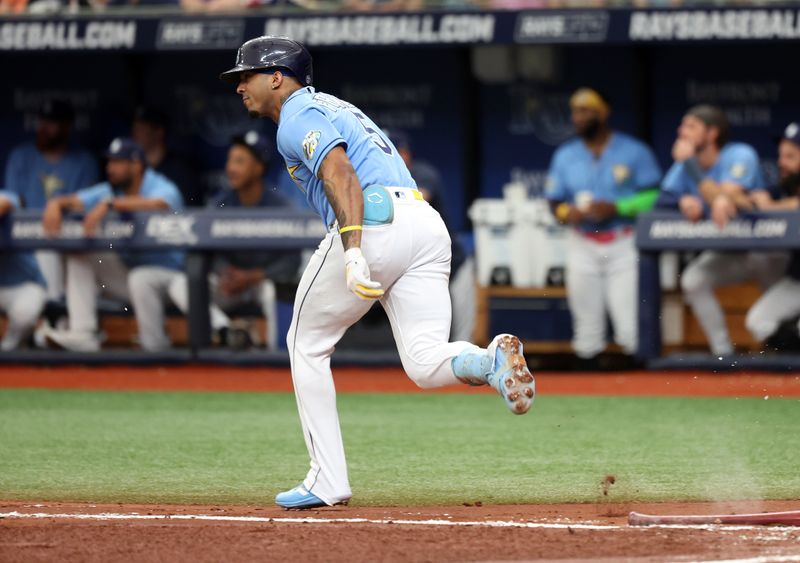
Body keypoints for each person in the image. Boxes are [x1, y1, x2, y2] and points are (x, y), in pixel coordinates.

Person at [220, 36, 535, 510]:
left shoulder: (296, 115)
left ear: (278, 78)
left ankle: (327, 479)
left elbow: (340, 172)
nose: (241, 85)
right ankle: (488, 361)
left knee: (304, 342)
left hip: (373, 221)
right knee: (425, 362)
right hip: (425, 225)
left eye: (248, 76)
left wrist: (352, 249)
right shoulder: (331, 105)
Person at [41, 137, 227, 352]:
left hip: (172, 275)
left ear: (136, 165)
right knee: (81, 255)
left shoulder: (159, 185)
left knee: (145, 278)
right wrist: (55, 204)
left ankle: (219, 332)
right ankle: (83, 333)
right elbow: (75, 200)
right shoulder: (110, 191)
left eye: (117, 162)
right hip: (131, 277)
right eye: (109, 162)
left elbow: (160, 204)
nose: (110, 168)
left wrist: (111, 204)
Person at [657, 105, 788, 357]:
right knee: (693, 280)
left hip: (764, 249)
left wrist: (693, 173)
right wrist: (681, 201)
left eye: (691, 126)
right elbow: (662, 199)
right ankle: (723, 353)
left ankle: (785, 352)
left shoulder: (739, 153)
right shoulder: (687, 162)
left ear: (712, 133)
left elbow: (727, 198)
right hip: (728, 252)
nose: (681, 131)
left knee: (777, 309)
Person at [545, 88, 662, 363]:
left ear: (603, 113)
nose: (578, 117)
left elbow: (656, 196)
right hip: (582, 241)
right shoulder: (566, 155)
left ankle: (642, 382)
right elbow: (553, 202)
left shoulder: (633, 150)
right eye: (575, 111)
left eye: (585, 111)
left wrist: (618, 207)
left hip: (623, 240)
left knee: (630, 325)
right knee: (586, 327)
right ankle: (590, 384)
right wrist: (567, 212)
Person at [173, 130, 301, 350]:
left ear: (258, 168)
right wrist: (226, 272)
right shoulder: (219, 204)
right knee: (180, 285)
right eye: (230, 161)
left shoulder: (280, 206)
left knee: (274, 291)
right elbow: (206, 252)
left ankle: (278, 358)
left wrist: (255, 276)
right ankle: (228, 330)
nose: (231, 168)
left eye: (240, 161)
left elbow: (292, 260)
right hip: (229, 283)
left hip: (262, 282)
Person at [3, 98, 98, 301]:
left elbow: (83, 206)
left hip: (66, 239)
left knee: (56, 249)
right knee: (44, 247)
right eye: (42, 121)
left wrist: (57, 207)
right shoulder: (21, 157)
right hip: (25, 243)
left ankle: (58, 315)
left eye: (52, 123)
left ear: (67, 126)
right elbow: (13, 203)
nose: (44, 128)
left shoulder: (84, 161)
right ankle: (52, 314)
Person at [385, 128, 475, 342]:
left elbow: (418, 200)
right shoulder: (381, 180)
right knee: (429, 339)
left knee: (463, 337)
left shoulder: (421, 173)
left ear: (404, 154)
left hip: (455, 265)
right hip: (424, 268)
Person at [745, 122, 800, 349]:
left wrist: (773, 207)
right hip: (797, 281)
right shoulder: (784, 186)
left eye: (790, 156)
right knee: (758, 322)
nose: (781, 162)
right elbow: (749, 198)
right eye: (781, 155)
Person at [0, 190, 47, 350]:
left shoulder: (5, 195)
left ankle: (14, 341)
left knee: (23, 315)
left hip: (24, 284)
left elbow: (5, 203)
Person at [131, 105, 204, 206]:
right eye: (134, 128)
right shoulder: (133, 168)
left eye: (140, 128)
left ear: (159, 132)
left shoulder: (181, 170)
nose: (135, 133)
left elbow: (192, 209)